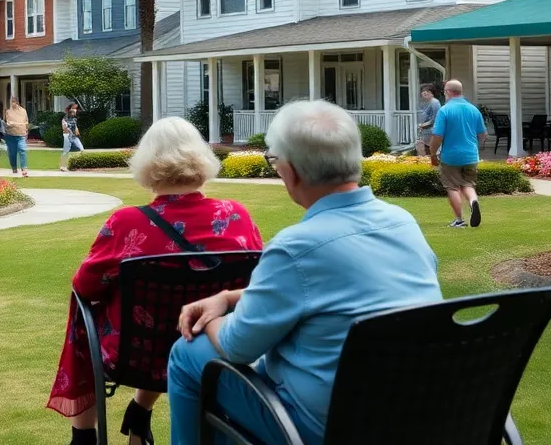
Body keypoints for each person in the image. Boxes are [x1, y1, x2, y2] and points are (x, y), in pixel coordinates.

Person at [166, 101, 442, 445]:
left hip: (325, 425)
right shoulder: (402, 222)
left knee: (187, 354)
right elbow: (341, 287)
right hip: (413, 410)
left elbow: (238, 347)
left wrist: (208, 318)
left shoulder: (295, 247)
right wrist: (227, 298)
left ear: (290, 171)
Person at [48, 117, 262, 445]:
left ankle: (83, 435)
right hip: (209, 346)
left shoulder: (127, 223)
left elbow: (85, 286)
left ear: (147, 164)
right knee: (167, 314)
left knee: (83, 310)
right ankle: (139, 412)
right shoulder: (236, 216)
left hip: (135, 355)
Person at [429, 79, 486, 228]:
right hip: (471, 155)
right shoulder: (474, 110)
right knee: (468, 184)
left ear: (448, 92)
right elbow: (482, 134)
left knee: (452, 187)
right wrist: (474, 147)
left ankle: (459, 220)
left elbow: (437, 136)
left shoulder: (445, 110)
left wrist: (433, 153)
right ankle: (473, 201)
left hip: (451, 156)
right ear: (461, 91)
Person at [4, 96, 30, 177]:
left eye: (13, 101)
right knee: (12, 153)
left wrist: (25, 130)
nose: (12, 103)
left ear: (17, 102)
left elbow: (26, 122)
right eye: (11, 101)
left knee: (22, 150)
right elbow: (8, 123)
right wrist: (18, 124)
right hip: (10, 135)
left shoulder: (23, 111)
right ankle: (14, 167)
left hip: (21, 134)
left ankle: (24, 169)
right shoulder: (8, 111)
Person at [415, 84, 441, 156]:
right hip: (424, 133)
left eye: (427, 91)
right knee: (421, 152)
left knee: (433, 154)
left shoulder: (435, 102)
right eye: (423, 91)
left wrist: (423, 125)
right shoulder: (425, 103)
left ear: (432, 93)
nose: (424, 93)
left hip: (432, 133)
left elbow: (436, 119)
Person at [58, 103, 85, 171]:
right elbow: (64, 127)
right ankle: (62, 166)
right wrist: (69, 132)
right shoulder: (65, 118)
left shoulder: (74, 119)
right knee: (66, 151)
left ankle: (75, 164)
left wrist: (77, 133)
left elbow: (75, 127)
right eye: (73, 108)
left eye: (75, 108)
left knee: (81, 149)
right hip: (67, 136)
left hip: (74, 136)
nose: (75, 110)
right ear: (70, 109)